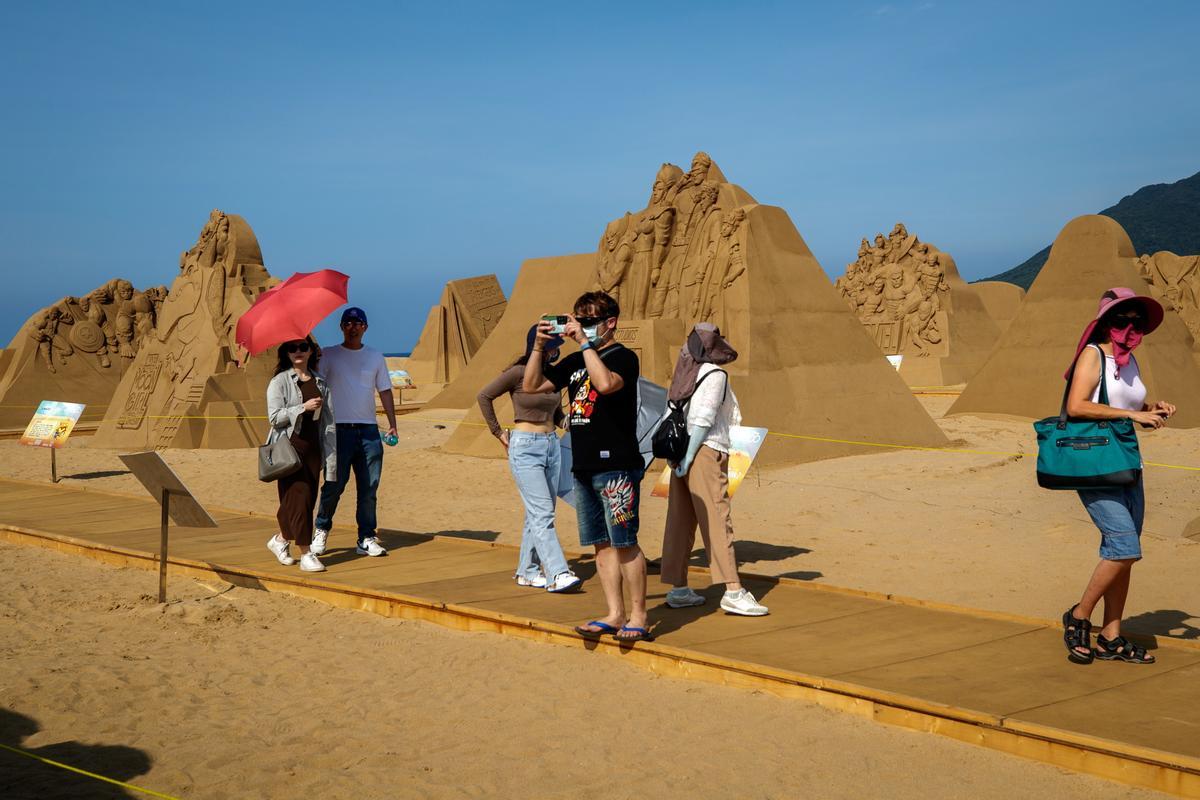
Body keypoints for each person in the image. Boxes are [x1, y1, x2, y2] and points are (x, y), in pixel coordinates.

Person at [523, 292, 650, 641]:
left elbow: (607, 384)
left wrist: (584, 343)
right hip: (584, 466)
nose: (584, 326)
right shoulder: (577, 361)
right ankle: (614, 612)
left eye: (591, 320)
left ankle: (638, 614)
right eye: (579, 319)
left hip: (617, 466)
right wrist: (538, 346)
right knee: (601, 544)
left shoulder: (623, 357)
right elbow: (532, 386)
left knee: (625, 543)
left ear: (611, 322)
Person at [1061, 288, 1176, 665]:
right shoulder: (1093, 355)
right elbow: (1077, 406)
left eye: (1136, 323)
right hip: (1095, 466)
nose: (1128, 328)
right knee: (1124, 546)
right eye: (1120, 320)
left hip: (1127, 466)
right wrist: (1132, 416)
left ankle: (1111, 635)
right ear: (1105, 323)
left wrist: (1151, 408)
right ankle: (1079, 617)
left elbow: (1127, 405)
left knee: (1123, 556)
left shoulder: (1131, 362)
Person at [660, 323, 769, 616]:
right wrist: (691, 456)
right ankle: (732, 590)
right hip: (704, 451)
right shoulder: (715, 374)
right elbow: (703, 419)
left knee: (680, 520)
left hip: (681, 452)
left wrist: (680, 458)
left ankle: (678, 587)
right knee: (718, 518)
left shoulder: (687, 370)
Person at [477, 325, 582, 593]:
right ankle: (557, 573)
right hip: (525, 446)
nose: (556, 349)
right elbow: (484, 396)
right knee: (542, 512)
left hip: (551, 445)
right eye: (552, 344)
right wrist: (498, 433)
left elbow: (557, 415)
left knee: (537, 513)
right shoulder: (519, 373)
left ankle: (527, 571)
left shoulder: (553, 376)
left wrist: (575, 421)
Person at [312, 307, 397, 558]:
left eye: (358, 323)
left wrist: (392, 422)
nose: (353, 327)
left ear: (365, 328)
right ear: (341, 327)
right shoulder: (328, 355)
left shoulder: (375, 357)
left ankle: (366, 537)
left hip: (369, 430)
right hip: (337, 430)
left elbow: (385, 390)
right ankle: (321, 529)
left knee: (369, 487)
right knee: (333, 485)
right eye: (348, 322)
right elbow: (315, 384)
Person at [265, 336, 337, 572]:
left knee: (297, 500)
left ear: (311, 351)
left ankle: (280, 540)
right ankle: (306, 553)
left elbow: (328, 420)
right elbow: (275, 418)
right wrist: (302, 408)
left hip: (313, 447)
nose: (298, 352)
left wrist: (331, 454)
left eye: (303, 347)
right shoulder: (279, 381)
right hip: (289, 446)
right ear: (286, 353)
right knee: (301, 498)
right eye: (292, 348)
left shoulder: (320, 382)